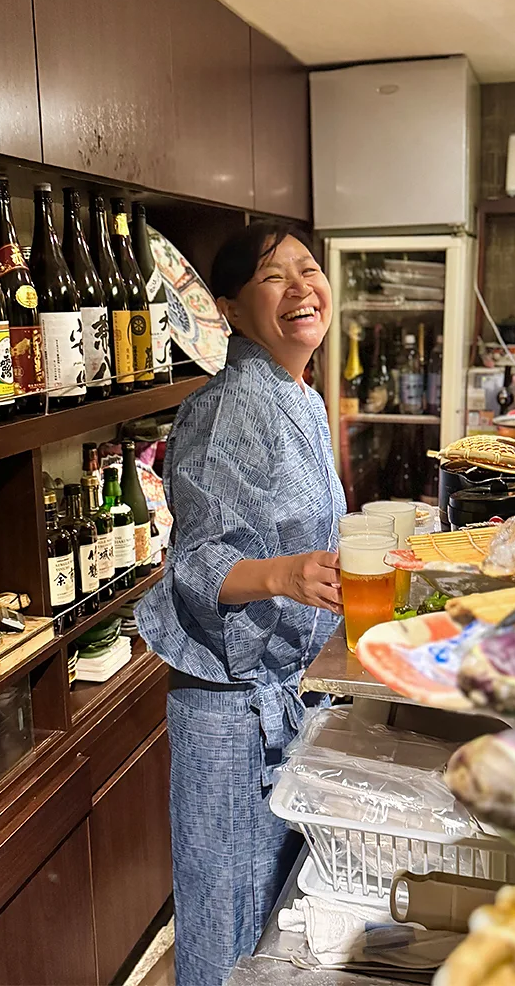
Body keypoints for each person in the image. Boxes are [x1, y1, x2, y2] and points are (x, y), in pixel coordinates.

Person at [135, 221, 346, 986]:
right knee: (229, 924)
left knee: (275, 915)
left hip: (287, 692)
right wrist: (285, 576)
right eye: (273, 276)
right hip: (230, 711)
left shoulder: (302, 396)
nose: (301, 287)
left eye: (308, 269)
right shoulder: (226, 408)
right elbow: (194, 561)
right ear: (227, 307)